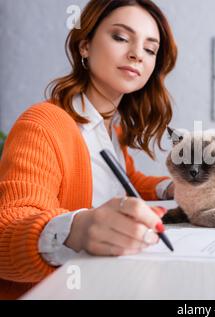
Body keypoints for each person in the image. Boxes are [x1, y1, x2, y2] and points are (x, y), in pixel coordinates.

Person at [0, 0, 177, 299]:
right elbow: (8, 228)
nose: (136, 54)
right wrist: (78, 231)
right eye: (121, 37)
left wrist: (173, 188)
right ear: (85, 46)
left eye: (150, 49)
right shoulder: (44, 123)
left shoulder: (111, 131)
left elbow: (128, 181)